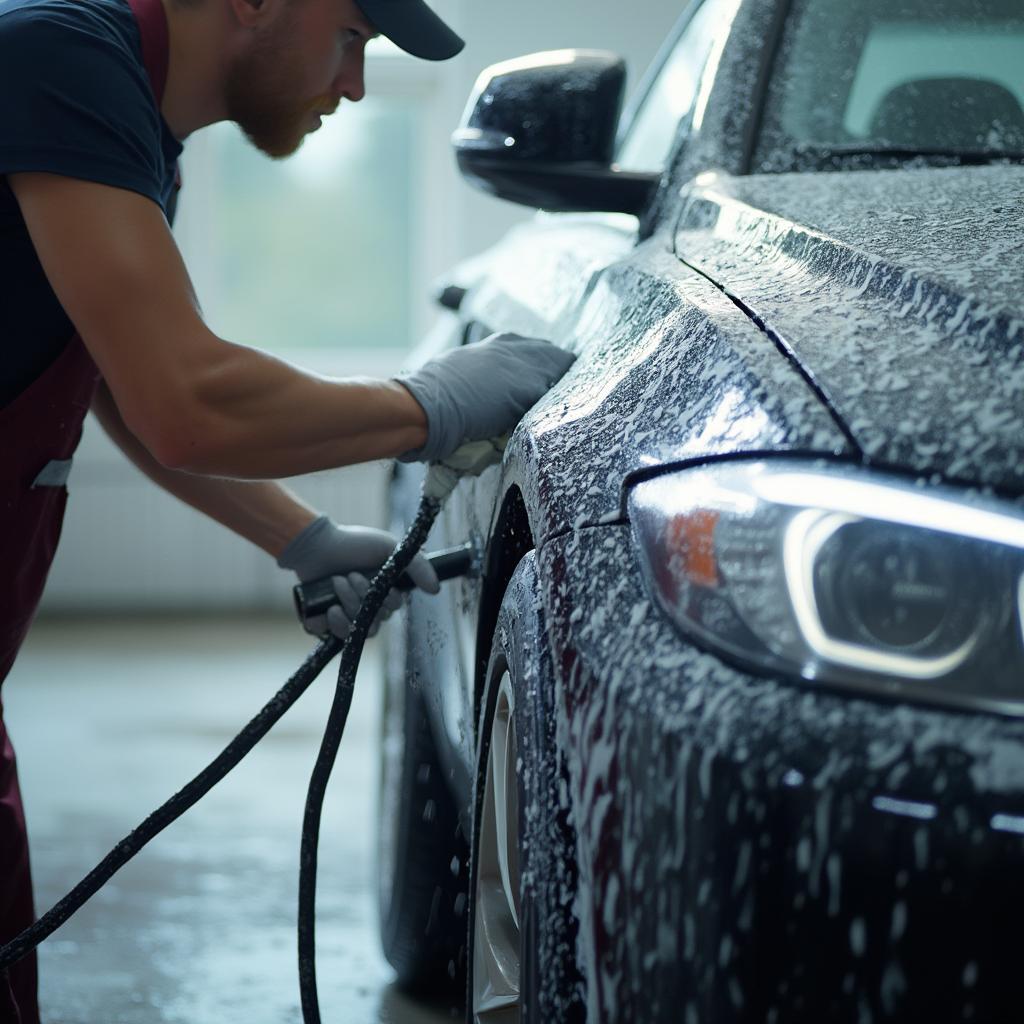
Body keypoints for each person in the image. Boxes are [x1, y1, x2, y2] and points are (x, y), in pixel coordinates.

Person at [0, 0, 575, 1014]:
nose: (355, 85)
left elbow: (113, 376)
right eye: (356, 36)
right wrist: (428, 408)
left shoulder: (118, 114)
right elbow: (185, 399)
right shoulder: (53, 61)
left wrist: (300, 537)